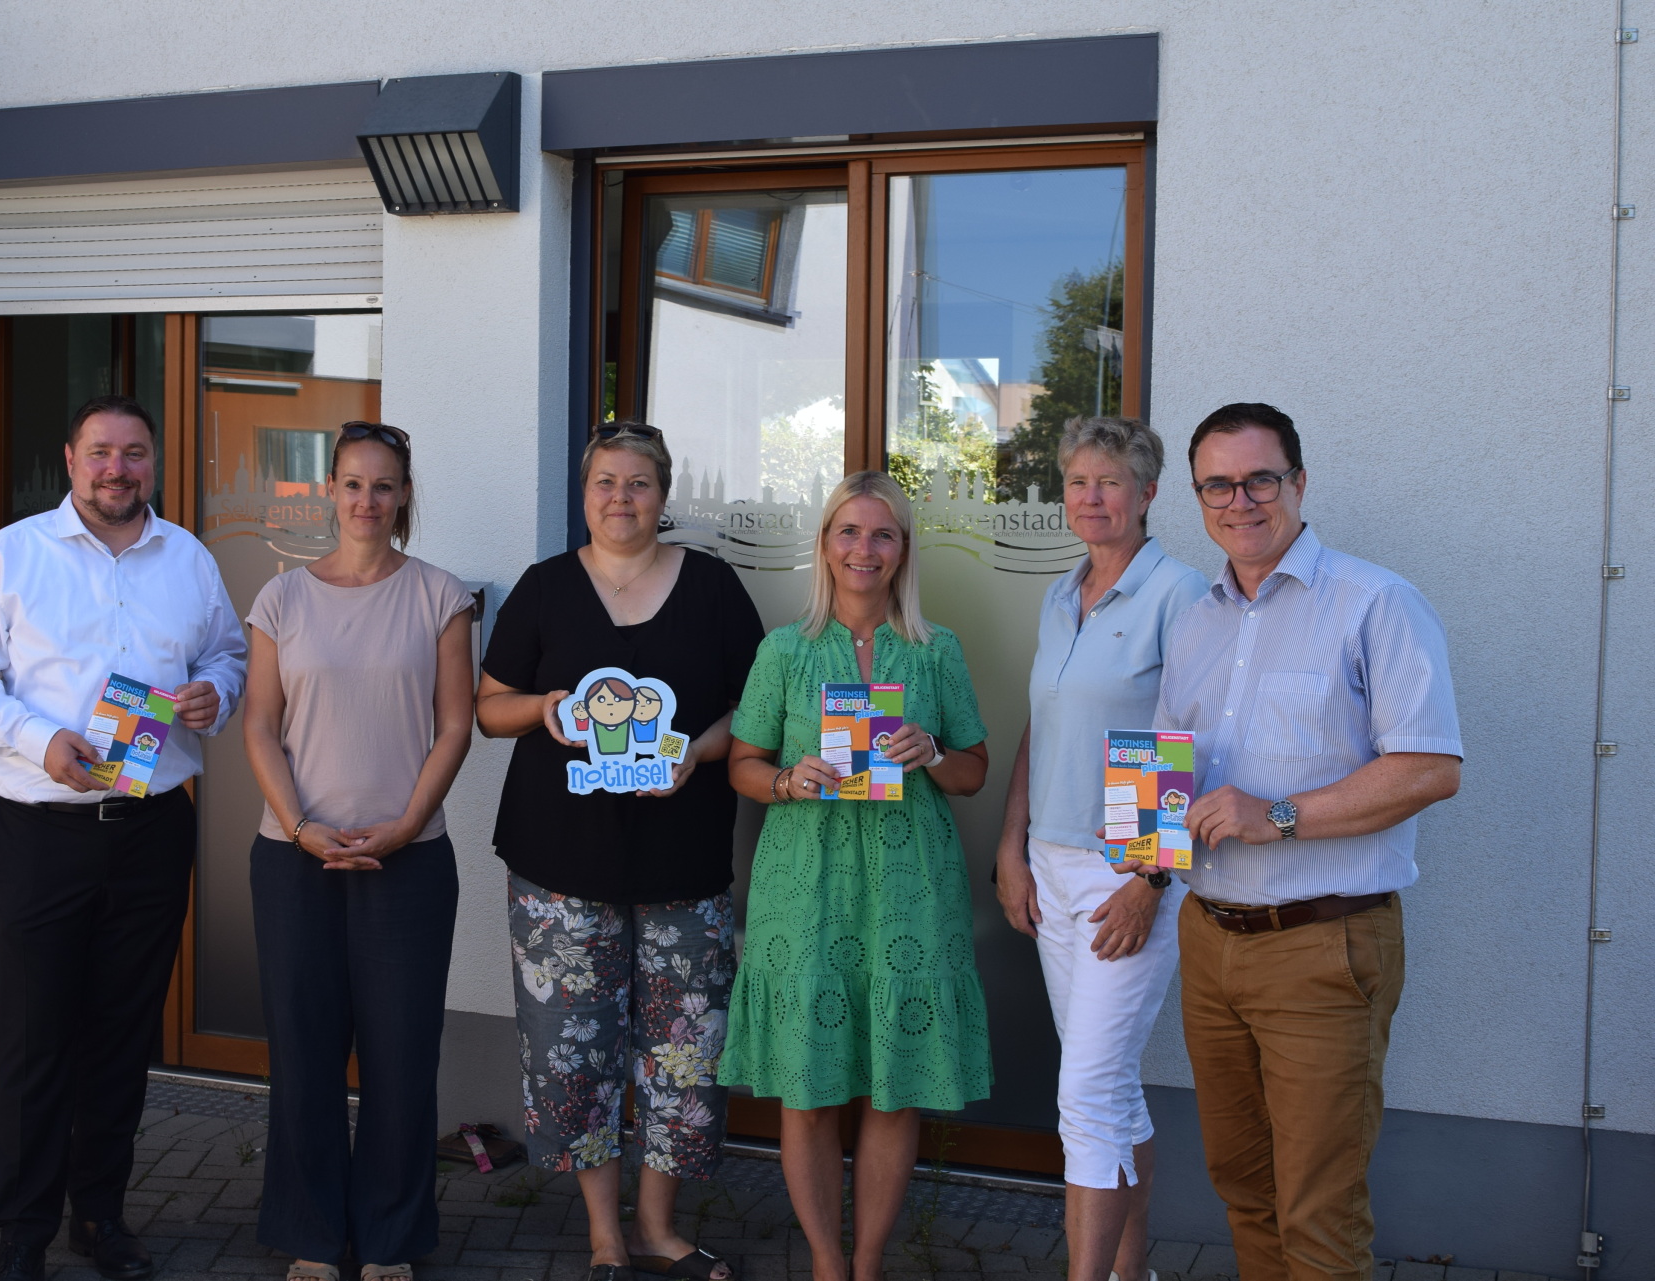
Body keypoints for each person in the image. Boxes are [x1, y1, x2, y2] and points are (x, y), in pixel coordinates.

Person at [1124, 403, 1461, 1281]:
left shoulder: (1376, 602)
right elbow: (1176, 775)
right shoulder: (1195, 620)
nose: (1240, 500)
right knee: (1243, 1183)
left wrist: (1275, 815)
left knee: (1317, 1206)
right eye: (1217, 485)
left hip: (1322, 945)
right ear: (1196, 499)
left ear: (1299, 483)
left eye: (1259, 478)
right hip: (1211, 940)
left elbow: (1429, 768)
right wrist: (1142, 848)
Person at [0, 395, 247, 1281]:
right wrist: (39, 738)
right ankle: (22, 1230)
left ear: (153, 462)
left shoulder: (185, 557)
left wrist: (215, 693)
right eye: (101, 452)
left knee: (121, 1032)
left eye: (134, 454)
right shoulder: (13, 553)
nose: (118, 469)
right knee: (35, 1037)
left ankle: (99, 1215)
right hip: (41, 832)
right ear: (70, 458)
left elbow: (230, 654)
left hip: (151, 831)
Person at [476, 421, 764, 1281]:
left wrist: (695, 753)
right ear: (584, 490)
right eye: (606, 481)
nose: (621, 498)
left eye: (639, 483)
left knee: (686, 1051)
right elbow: (489, 707)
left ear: (664, 495)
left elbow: (757, 711)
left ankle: (659, 1225)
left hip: (684, 864)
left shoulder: (712, 587)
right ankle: (604, 1233)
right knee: (572, 1051)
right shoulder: (544, 587)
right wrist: (546, 708)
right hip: (560, 866)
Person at [721, 470, 992, 1281]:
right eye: (848, 531)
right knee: (807, 1086)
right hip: (806, 887)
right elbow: (741, 760)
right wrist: (785, 779)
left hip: (909, 889)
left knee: (892, 1086)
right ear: (826, 544)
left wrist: (932, 752)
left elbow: (976, 771)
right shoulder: (785, 649)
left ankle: (867, 1264)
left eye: (881, 534)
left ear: (902, 549)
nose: (863, 549)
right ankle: (826, 1263)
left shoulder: (935, 649)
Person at [241, 422, 474, 1281]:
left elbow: (455, 726)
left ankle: (388, 1240)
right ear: (329, 490)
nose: (367, 500)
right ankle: (310, 1230)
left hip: (407, 860)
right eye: (351, 483)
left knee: (401, 1057)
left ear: (405, 493)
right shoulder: (281, 599)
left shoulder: (441, 595)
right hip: (295, 858)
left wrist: (410, 822)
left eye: (384, 485)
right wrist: (300, 825)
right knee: (303, 1053)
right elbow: (259, 726)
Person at [991, 418, 1208, 1281]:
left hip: (1127, 871)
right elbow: (1041, 730)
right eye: (1078, 480)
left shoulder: (1180, 595)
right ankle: (1131, 1272)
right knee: (1107, 1088)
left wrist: (1153, 879)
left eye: (1110, 481)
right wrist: (1011, 848)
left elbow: (1190, 738)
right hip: (1050, 864)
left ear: (1148, 494)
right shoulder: (1059, 593)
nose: (1091, 496)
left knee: (1084, 1091)